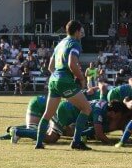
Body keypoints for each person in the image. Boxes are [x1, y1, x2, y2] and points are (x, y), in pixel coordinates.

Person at [35, 20, 92, 151]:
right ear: (77, 31)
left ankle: (39, 144)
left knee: (47, 114)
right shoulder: (75, 43)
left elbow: (50, 67)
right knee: (86, 109)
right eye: (81, 30)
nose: (82, 33)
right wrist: (81, 78)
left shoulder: (60, 43)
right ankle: (76, 142)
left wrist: (58, 78)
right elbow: (72, 64)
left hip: (53, 80)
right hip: (64, 80)